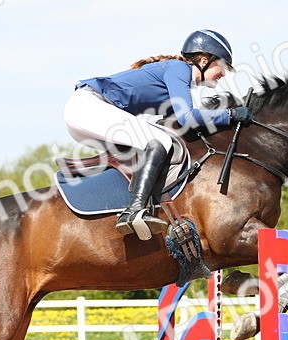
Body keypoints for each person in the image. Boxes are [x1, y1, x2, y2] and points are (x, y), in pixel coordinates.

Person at [65, 29, 252, 240]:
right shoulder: (179, 69)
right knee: (159, 141)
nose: (223, 74)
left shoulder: (178, 79)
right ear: (203, 59)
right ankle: (135, 210)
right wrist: (229, 114)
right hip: (88, 107)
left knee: (155, 144)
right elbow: (187, 117)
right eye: (222, 66)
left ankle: (121, 206)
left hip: (85, 112)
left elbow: (178, 125)